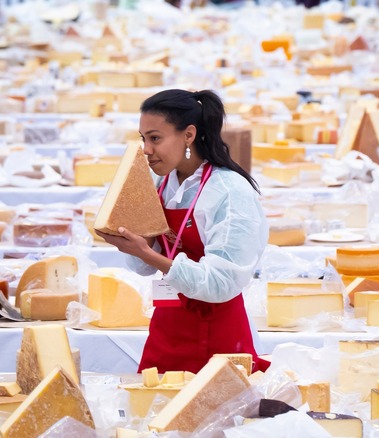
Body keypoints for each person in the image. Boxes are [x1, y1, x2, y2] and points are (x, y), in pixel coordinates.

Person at [95, 89, 270, 375]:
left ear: (188, 135)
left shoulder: (229, 191)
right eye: (143, 139)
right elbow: (143, 268)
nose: (146, 150)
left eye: (155, 138)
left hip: (218, 330)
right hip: (167, 326)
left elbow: (220, 283)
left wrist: (147, 254)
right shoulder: (160, 184)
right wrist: (138, 240)